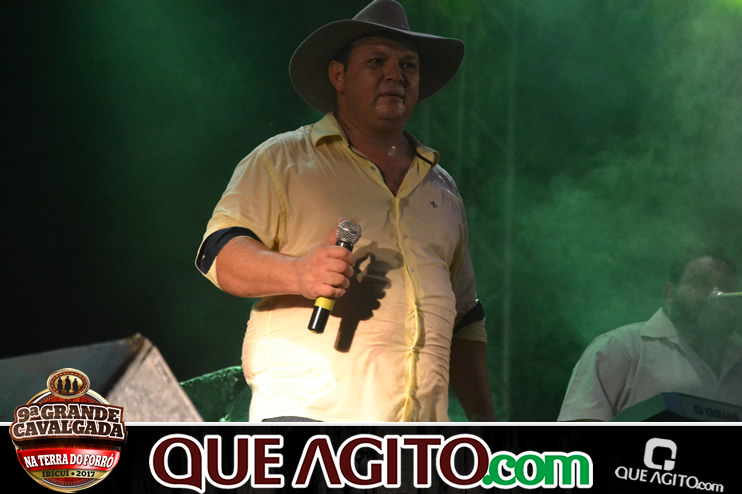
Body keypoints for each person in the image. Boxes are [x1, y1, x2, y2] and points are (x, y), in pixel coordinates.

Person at [195, 0, 496, 422]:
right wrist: (298, 273)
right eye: (376, 61)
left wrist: (488, 429)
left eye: (408, 65)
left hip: (416, 442)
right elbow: (218, 254)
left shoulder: (442, 189)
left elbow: (464, 320)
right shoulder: (282, 159)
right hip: (310, 421)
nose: (395, 74)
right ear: (338, 75)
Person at [558, 248, 742, 421]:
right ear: (670, 293)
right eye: (699, 283)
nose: (716, 294)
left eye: (727, 287)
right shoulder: (621, 347)